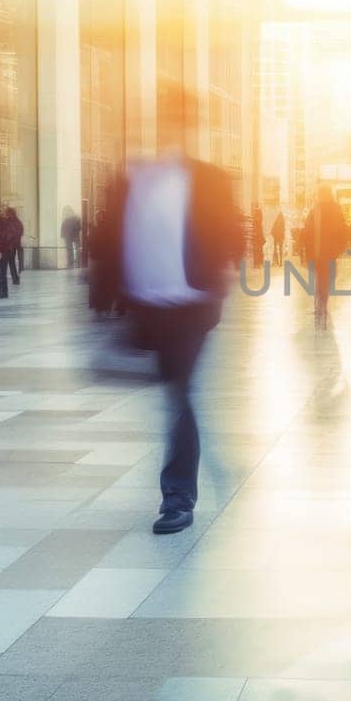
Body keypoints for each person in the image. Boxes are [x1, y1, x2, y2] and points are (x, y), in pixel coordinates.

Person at [100, 139, 244, 534]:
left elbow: (231, 232)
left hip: (193, 305)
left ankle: (177, 497)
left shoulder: (208, 178)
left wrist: (219, 277)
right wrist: (103, 305)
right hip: (150, 307)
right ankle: (200, 466)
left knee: (178, 392)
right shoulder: (133, 177)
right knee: (174, 393)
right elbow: (110, 238)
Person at [306, 186, 348, 330]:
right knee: (328, 278)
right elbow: (343, 230)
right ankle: (323, 301)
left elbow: (308, 232)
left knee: (321, 278)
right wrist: (341, 247)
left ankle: (320, 302)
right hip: (330, 253)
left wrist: (308, 254)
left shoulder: (315, 211)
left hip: (318, 254)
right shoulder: (336, 209)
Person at [0, 206, 23, 300]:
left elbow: (7, 237)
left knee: (1, 270)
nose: (2, 212)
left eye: (4, 211)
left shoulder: (7, 223)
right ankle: (1, 290)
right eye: (2, 211)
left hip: (3, 250)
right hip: (0, 249)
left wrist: (2, 247)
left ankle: (3, 291)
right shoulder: (2, 222)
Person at [250, 203, 265, 267]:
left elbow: (258, 226)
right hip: (257, 236)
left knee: (257, 249)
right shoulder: (257, 220)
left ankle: (257, 263)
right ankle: (257, 263)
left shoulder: (256, 219)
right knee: (258, 249)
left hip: (257, 236)